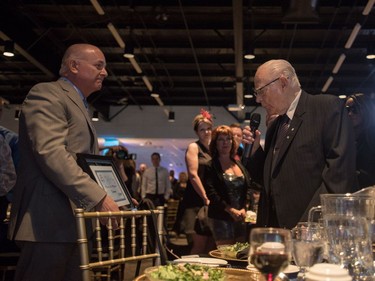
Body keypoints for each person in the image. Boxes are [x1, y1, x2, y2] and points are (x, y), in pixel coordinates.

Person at [8, 43, 120, 281]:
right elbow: (51, 153)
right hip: (46, 222)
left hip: (69, 222)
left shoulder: (79, 103)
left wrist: (117, 196)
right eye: (98, 66)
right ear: (73, 66)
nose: (105, 72)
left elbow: (80, 161)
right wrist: (99, 197)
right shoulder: (47, 93)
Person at [245, 59, 357, 229]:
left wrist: (309, 225)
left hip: (312, 232)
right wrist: (255, 152)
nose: (259, 99)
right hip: (275, 233)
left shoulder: (326, 108)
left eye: (261, 91)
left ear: (283, 82)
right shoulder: (275, 126)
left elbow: (338, 176)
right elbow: (271, 181)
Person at [204, 125, 254, 245]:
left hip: (241, 216)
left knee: (240, 253)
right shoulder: (210, 165)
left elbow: (248, 187)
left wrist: (244, 208)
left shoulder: (239, 163)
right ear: (215, 143)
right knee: (225, 254)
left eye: (228, 139)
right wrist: (230, 210)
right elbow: (211, 193)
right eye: (221, 139)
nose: (225, 143)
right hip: (221, 216)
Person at [180, 109, 216, 254]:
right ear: (196, 132)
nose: (206, 132)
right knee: (197, 247)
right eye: (202, 129)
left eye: (208, 129)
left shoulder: (214, 149)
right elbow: (193, 175)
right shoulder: (194, 147)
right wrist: (205, 197)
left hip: (211, 201)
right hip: (196, 200)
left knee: (211, 247)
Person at [345, 93, 375, 189]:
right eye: (347, 109)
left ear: (366, 109)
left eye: (355, 109)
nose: (350, 113)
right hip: (352, 193)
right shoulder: (344, 138)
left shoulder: (371, 138)